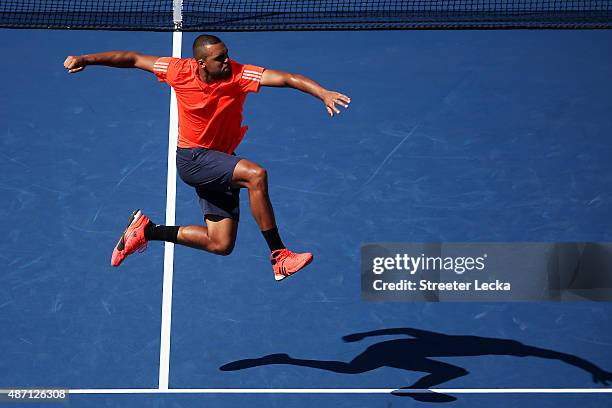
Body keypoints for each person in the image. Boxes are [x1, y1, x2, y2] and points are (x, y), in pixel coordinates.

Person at [63, 34, 350, 281]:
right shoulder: (178, 70)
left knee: (220, 243)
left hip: (218, 160)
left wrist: (322, 92)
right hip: (193, 158)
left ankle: (148, 230)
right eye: (220, 58)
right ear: (201, 63)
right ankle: (279, 255)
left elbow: (287, 78)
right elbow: (133, 58)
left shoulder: (239, 74)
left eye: (227, 55)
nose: (227, 61)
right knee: (255, 175)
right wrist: (85, 58)